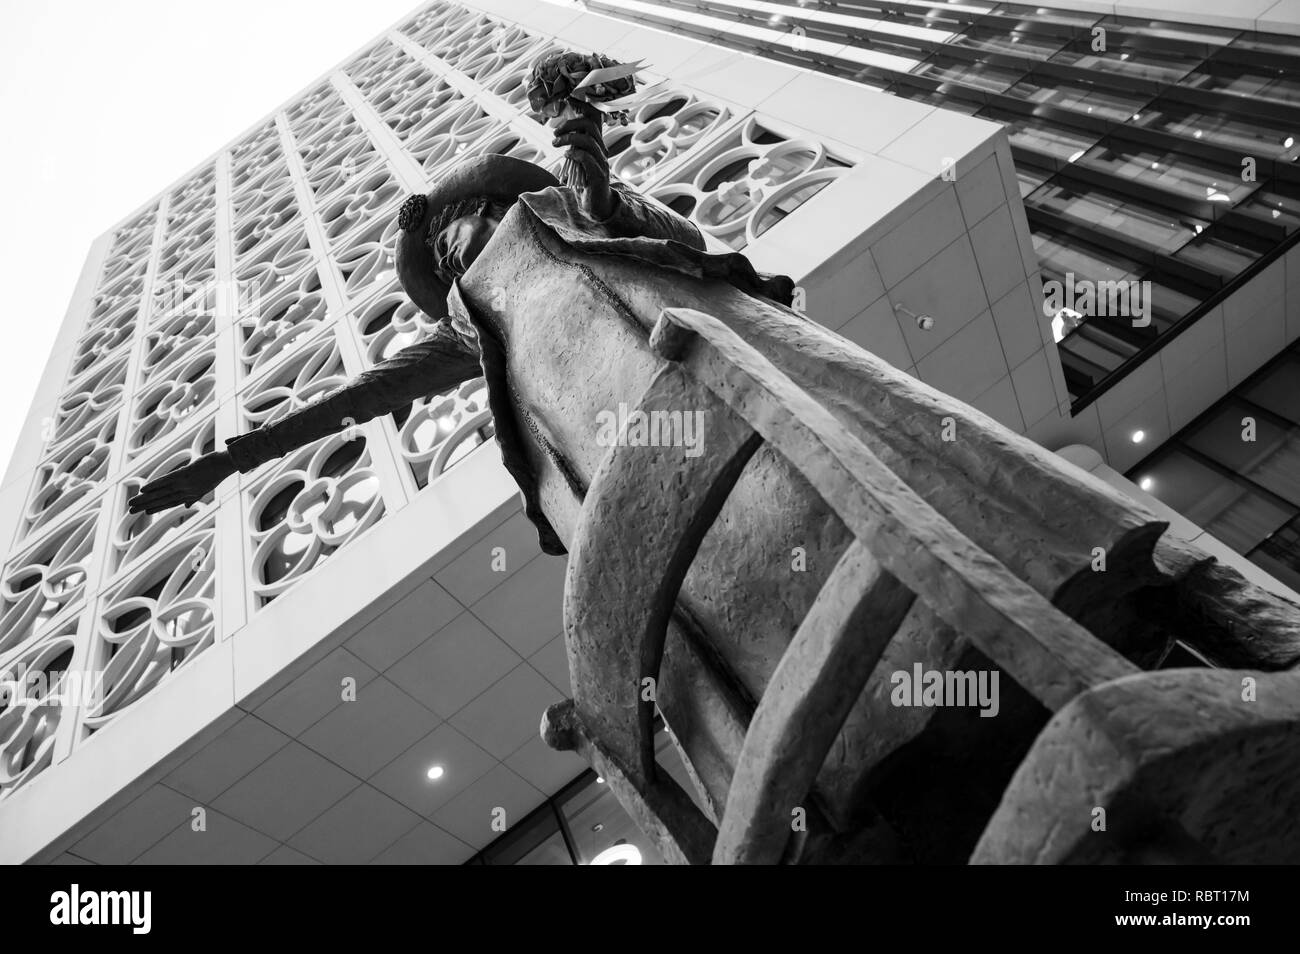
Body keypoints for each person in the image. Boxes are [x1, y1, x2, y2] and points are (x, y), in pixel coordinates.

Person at [130, 112, 1300, 861]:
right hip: (666, 526)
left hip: (760, 415)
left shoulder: (568, 224)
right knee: (764, 647)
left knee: (932, 526)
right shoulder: (479, 335)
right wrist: (219, 464)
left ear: (495, 196)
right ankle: (859, 774)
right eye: (440, 248)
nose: (455, 247)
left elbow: (632, 219)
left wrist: (577, 131)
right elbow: (352, 401)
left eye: (460, 220)